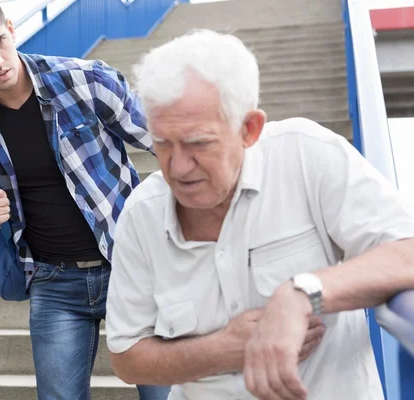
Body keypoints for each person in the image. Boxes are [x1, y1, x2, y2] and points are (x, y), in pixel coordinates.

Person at [105, 29, 414, 400]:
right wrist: (223, 349)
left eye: (198, 143)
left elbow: (406, 252)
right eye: (162, 143)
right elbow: (126, 358)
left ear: (249, 129)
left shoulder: (307, 155)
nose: (179, 167)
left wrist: (301, 293)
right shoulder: (141, 213)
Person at [0, 0, 170, 398]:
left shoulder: (86, 80)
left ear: (10, 28)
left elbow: (165, 145)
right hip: (52, 281)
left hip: (130, 267)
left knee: (164, 394)